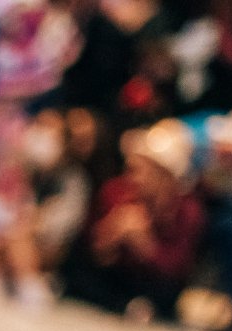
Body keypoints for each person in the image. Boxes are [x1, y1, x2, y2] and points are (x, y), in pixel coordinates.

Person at [65, 116, 207, 318]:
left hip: (156, 285)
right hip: (118, 278)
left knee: (167, 292)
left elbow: (177, 268)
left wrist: (143, 243)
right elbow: (91, 251)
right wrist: (112, 234)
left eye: (138, 171)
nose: (131, 178)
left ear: (162, 175)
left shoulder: (188, 210)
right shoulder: (117, 191)